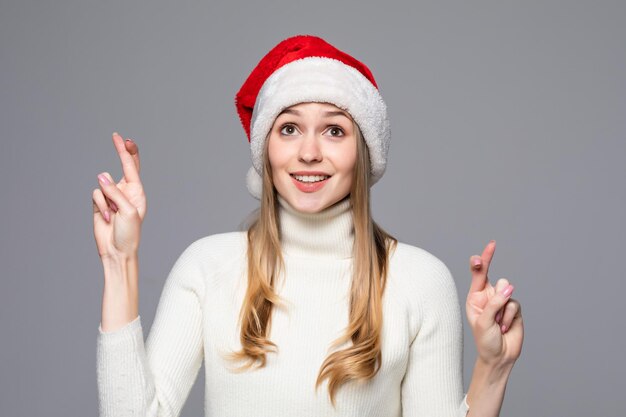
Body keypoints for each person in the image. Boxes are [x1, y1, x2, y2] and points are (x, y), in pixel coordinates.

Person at [93, 35, 523, 417]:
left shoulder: (420, 281)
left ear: (363, 151)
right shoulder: (207, 267)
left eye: (334, 130)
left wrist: (494, 367)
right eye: (290, 128)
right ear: (266, 149)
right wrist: (119, 260)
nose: (309, 152)